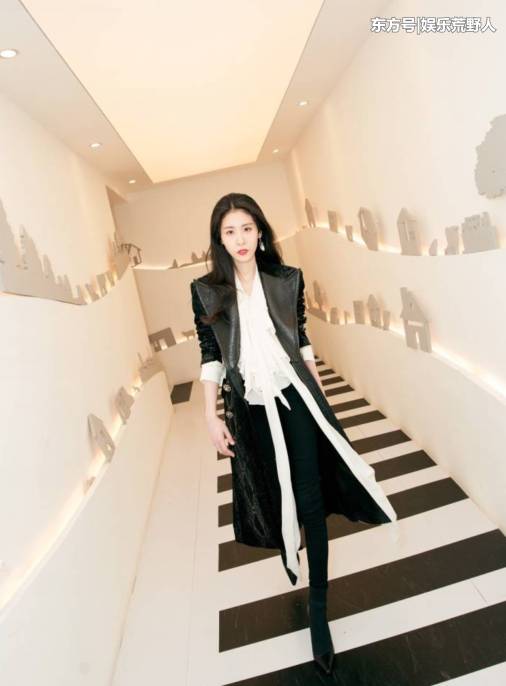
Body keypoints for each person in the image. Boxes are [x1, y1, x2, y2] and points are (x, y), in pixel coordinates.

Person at [190, 192, 398, 676]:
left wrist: (321, 400)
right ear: (219, 239)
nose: (240, 239)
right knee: (276, 492)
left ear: (260, 231)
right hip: (251, 408)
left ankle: (318, 609)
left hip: (297, 398)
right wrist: (211, 416)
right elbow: (211, 356)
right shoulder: (206, 292)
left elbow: (302, 341)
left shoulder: (287, 279)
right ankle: (290, 556)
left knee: (309, 498)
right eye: (229, 231)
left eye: (247, 228)